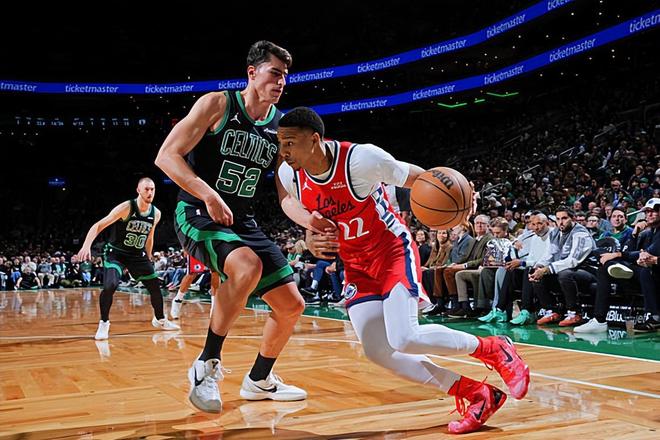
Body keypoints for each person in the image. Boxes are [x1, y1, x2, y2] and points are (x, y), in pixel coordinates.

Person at [276, 107, 529, 434]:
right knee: (378, 351)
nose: (283, 151)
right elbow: (294, 204)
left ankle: (494, 348)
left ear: (314, 140)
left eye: (290, 143)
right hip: (356, 263)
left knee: (404, 337)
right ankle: (477, 393)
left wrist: (461, 198)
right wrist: (311, 229)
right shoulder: (291, 173)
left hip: (390, 251)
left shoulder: (361, 160)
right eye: (281, 143)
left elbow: (421, 179)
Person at [155, 40, 307, 413]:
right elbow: (167, 156)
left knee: (291, 305)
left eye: (285, 76)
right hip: (196, 211)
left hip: (243, 221)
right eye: (274, 73)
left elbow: (284, 196)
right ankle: (206, 366)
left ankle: (259, 379)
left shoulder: (280, 127)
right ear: (252, 72)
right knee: (246, 265)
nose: (281, 82)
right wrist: (207, 194)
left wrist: (310, 221)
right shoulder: (217, 104)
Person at [76, 177, 180, 340]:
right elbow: (99, 225)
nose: (150, 192)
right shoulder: (127, 207)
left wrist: (149, 256)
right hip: (116, 254)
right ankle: (104, 323)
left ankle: (160, 319)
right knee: (110, 285)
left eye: (152, 189)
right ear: (138, 190)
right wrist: (86, 245)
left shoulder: (156, 213)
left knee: (155, 287)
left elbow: (149, 236)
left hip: (137, 255)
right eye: (146, 189)